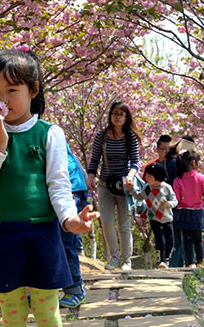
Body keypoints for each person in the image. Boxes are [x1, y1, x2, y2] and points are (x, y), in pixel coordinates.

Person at [0, 47, 99, 327]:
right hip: (0, 233)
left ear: (33, 90)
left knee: (47, 313)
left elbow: (58, 185)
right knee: (11, 314)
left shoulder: (49, 133)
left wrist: (69, 219)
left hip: (41, 233)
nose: (2, 100)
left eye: (12, 90)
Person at [87, 101, 141, 271]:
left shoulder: (130, 137)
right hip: (105, 184)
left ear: (126, 117)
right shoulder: (101, 136)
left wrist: (131, 177)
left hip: (125, 185)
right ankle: (114, 258)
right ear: (110, 115)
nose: (117, 117)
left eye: (121, 114)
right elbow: (95, 159)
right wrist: (90, 177)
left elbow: (135, 162)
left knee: (124, 225)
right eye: (115, 113)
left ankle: (127, 261)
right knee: (107, 222)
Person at [130, 162, 178, 268]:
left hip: (167, 218)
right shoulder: (147, 188)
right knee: (159, 239)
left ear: (157, 177)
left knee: (170, 240)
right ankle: (161, 260)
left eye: (149, 176)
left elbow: (175, 201)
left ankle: (167, 259)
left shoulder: (166, 188)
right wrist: (131, 189)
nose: (146, 177)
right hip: (154, 218)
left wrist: (168, 204)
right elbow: (139, 197)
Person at [59, 144, 88, 308]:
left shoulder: (46, 132)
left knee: (66, 241)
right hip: (73, 187)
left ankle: (75, 290)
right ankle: (42, 292)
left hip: (70, 189)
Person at [173, 150, 204, 269]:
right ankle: (200, 262)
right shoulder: (200, 177)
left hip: (184, 212)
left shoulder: (177, 180)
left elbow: (177, 198)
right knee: (198, 239)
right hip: (197, 212)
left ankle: (190, 263)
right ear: (193, 163)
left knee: (187, 239)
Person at [168, 136, 196, 268]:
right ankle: (190, 264)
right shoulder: (185, 166)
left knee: (176, 240)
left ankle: (175, 267)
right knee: (188, 239)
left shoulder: (168, 162)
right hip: (185, 206)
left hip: (171, 204)